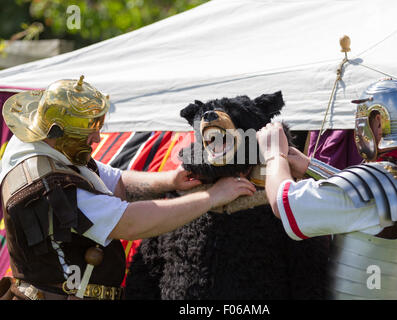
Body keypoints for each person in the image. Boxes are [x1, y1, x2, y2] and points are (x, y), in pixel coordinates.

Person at [0, 77, 255, 300]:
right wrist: (211, 197)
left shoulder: (41, 144)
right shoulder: (48, 185)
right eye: (88, 131)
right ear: (58, 132)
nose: (98, 139)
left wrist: (169, 180)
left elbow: (114, 179)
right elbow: (129, 223)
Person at [257, 79, 397, 300]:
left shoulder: (375, 184)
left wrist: (273, 155)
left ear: (377, 122)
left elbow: (285, 204)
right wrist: (312, 167)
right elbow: (377, 194)